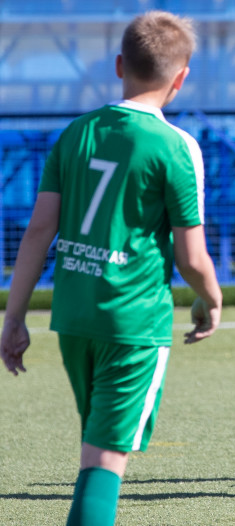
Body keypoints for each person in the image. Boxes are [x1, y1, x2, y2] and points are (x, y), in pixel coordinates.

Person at [0, 11, 223, 526]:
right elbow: (192, 258)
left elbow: (38, 232)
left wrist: (14, 317)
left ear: (119, 64)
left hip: (74, 317)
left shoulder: (75, 133)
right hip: (133, 324)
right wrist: (212, 300)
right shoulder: (177, 147)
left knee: (94, 453)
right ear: (182, 77)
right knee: (105, 460)